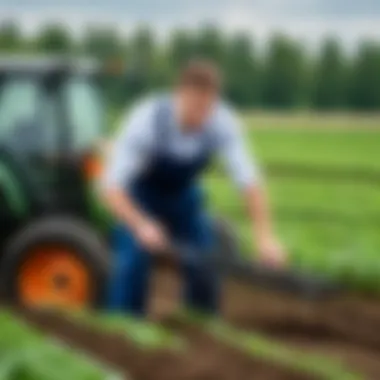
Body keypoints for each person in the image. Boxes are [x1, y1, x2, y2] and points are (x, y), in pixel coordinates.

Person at [101, 60, 286, 316]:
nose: (203, 116)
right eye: (196, 107)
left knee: (205, 258)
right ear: (181, 94)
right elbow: (111, 188)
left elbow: (250, 183)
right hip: (139, 196)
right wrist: (141, 225)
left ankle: (200, 324)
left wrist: (264, 237)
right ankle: (124, 328)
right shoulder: (146, 120)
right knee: (133, 260)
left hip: (182, 196)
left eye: (208, 107)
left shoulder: (222, 122)